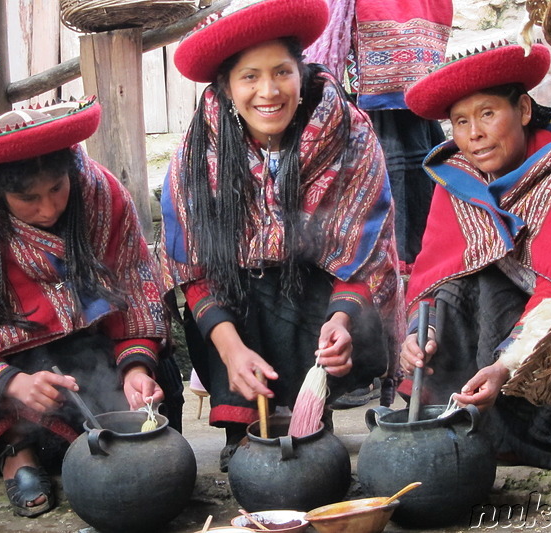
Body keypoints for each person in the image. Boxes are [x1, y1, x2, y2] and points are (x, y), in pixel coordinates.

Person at [160, 0, 404, 472]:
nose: (268, 91)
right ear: (226, 88)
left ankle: (313, 409)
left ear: (303, 70)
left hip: (319, 302)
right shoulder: (195, 154)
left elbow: (366, 251)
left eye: (281, 72)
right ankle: (241, 423)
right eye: (249, 76)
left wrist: (342, 322)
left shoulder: (350, 134)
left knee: (303, 282)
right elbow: (190, 266)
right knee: (237, 282)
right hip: (238, 309)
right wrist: (230, 350)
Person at [0, 97, 183, 517]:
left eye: (57, 188)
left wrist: (136, 369)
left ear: (71, 170)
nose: (49, 208)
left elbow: (137, 286)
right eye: (27, 198)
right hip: (7, 358)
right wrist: (11, 384)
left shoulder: (103, 194)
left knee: (145, 418)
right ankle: (15, 451)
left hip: (91, 344)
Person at [398, 42, 551, 469]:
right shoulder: (462, 177)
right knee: (458, 291)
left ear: (525, 110)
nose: (473, 133)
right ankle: (482, 427)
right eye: (461, 121)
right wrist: (422, 329)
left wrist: (506, 365)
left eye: (488, 113)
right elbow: (437, 268)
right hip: (525, 306)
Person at [304, 0, 453, 409]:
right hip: (360, 86)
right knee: (352, 221)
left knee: (401, 226)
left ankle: (401, 354)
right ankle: (365, 359)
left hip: (398, 85)